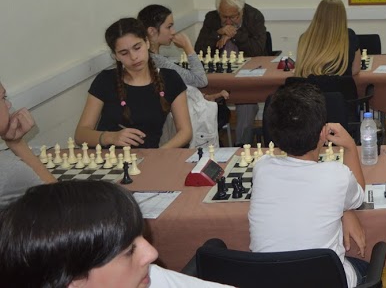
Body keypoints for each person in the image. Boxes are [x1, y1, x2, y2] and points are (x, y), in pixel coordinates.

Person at [0, 180, 231, 287]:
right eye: (129, 250)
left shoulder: (145, 277)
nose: (151, 253)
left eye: (140, 238)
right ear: (73, 282)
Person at [248, 82, 368, 288]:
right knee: (365, 266)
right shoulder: (337, 175)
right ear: (323, 133)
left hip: (269, 281)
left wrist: (344, 210)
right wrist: (350, 146)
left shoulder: (261, 168)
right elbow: (358, 196)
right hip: (329, 282)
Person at [75, 18, 192, 149]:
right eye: (124, 53)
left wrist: (159, 153)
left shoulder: (170, 79)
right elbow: (80, 135)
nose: (133, 57)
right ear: (116, 56)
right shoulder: (105, 80)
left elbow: (185, 132)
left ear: (147, 42)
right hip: (109, 157)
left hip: (149, 156)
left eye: (137, 48)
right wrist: (111, 137)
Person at [139, 5, 229, 149]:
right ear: (152, 31)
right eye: (169, 27)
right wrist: (188, 47)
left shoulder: (157, 59)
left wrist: (203, 96)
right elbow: (201, 80)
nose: (173, 31)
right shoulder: (158, 62)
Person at [194, 0, 268, 144]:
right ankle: (209, 147)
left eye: (233, 17)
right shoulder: (212, 18)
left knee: (247, 104)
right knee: (198, 101)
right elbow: (199, 50)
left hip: (246, 77)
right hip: (217, 76)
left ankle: (241, 146)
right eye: (224, 17)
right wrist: (218, 33)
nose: (228, 21)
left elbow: (258, 50)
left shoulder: (254, 17)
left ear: (241, 11)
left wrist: (234, 35)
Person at [0, 79, 55, 209]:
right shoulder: (8, 170)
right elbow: (61, 203)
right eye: (3, 98)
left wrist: (14, 142)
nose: (8, 105)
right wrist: (19, 145)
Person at [294, 0, 361, 77]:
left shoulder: (304, 38)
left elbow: (299, 70)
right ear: (342, 16)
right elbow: (355, 69)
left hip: (310, 85)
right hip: (340, 85)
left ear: (318, 14)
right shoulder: (349, 36)